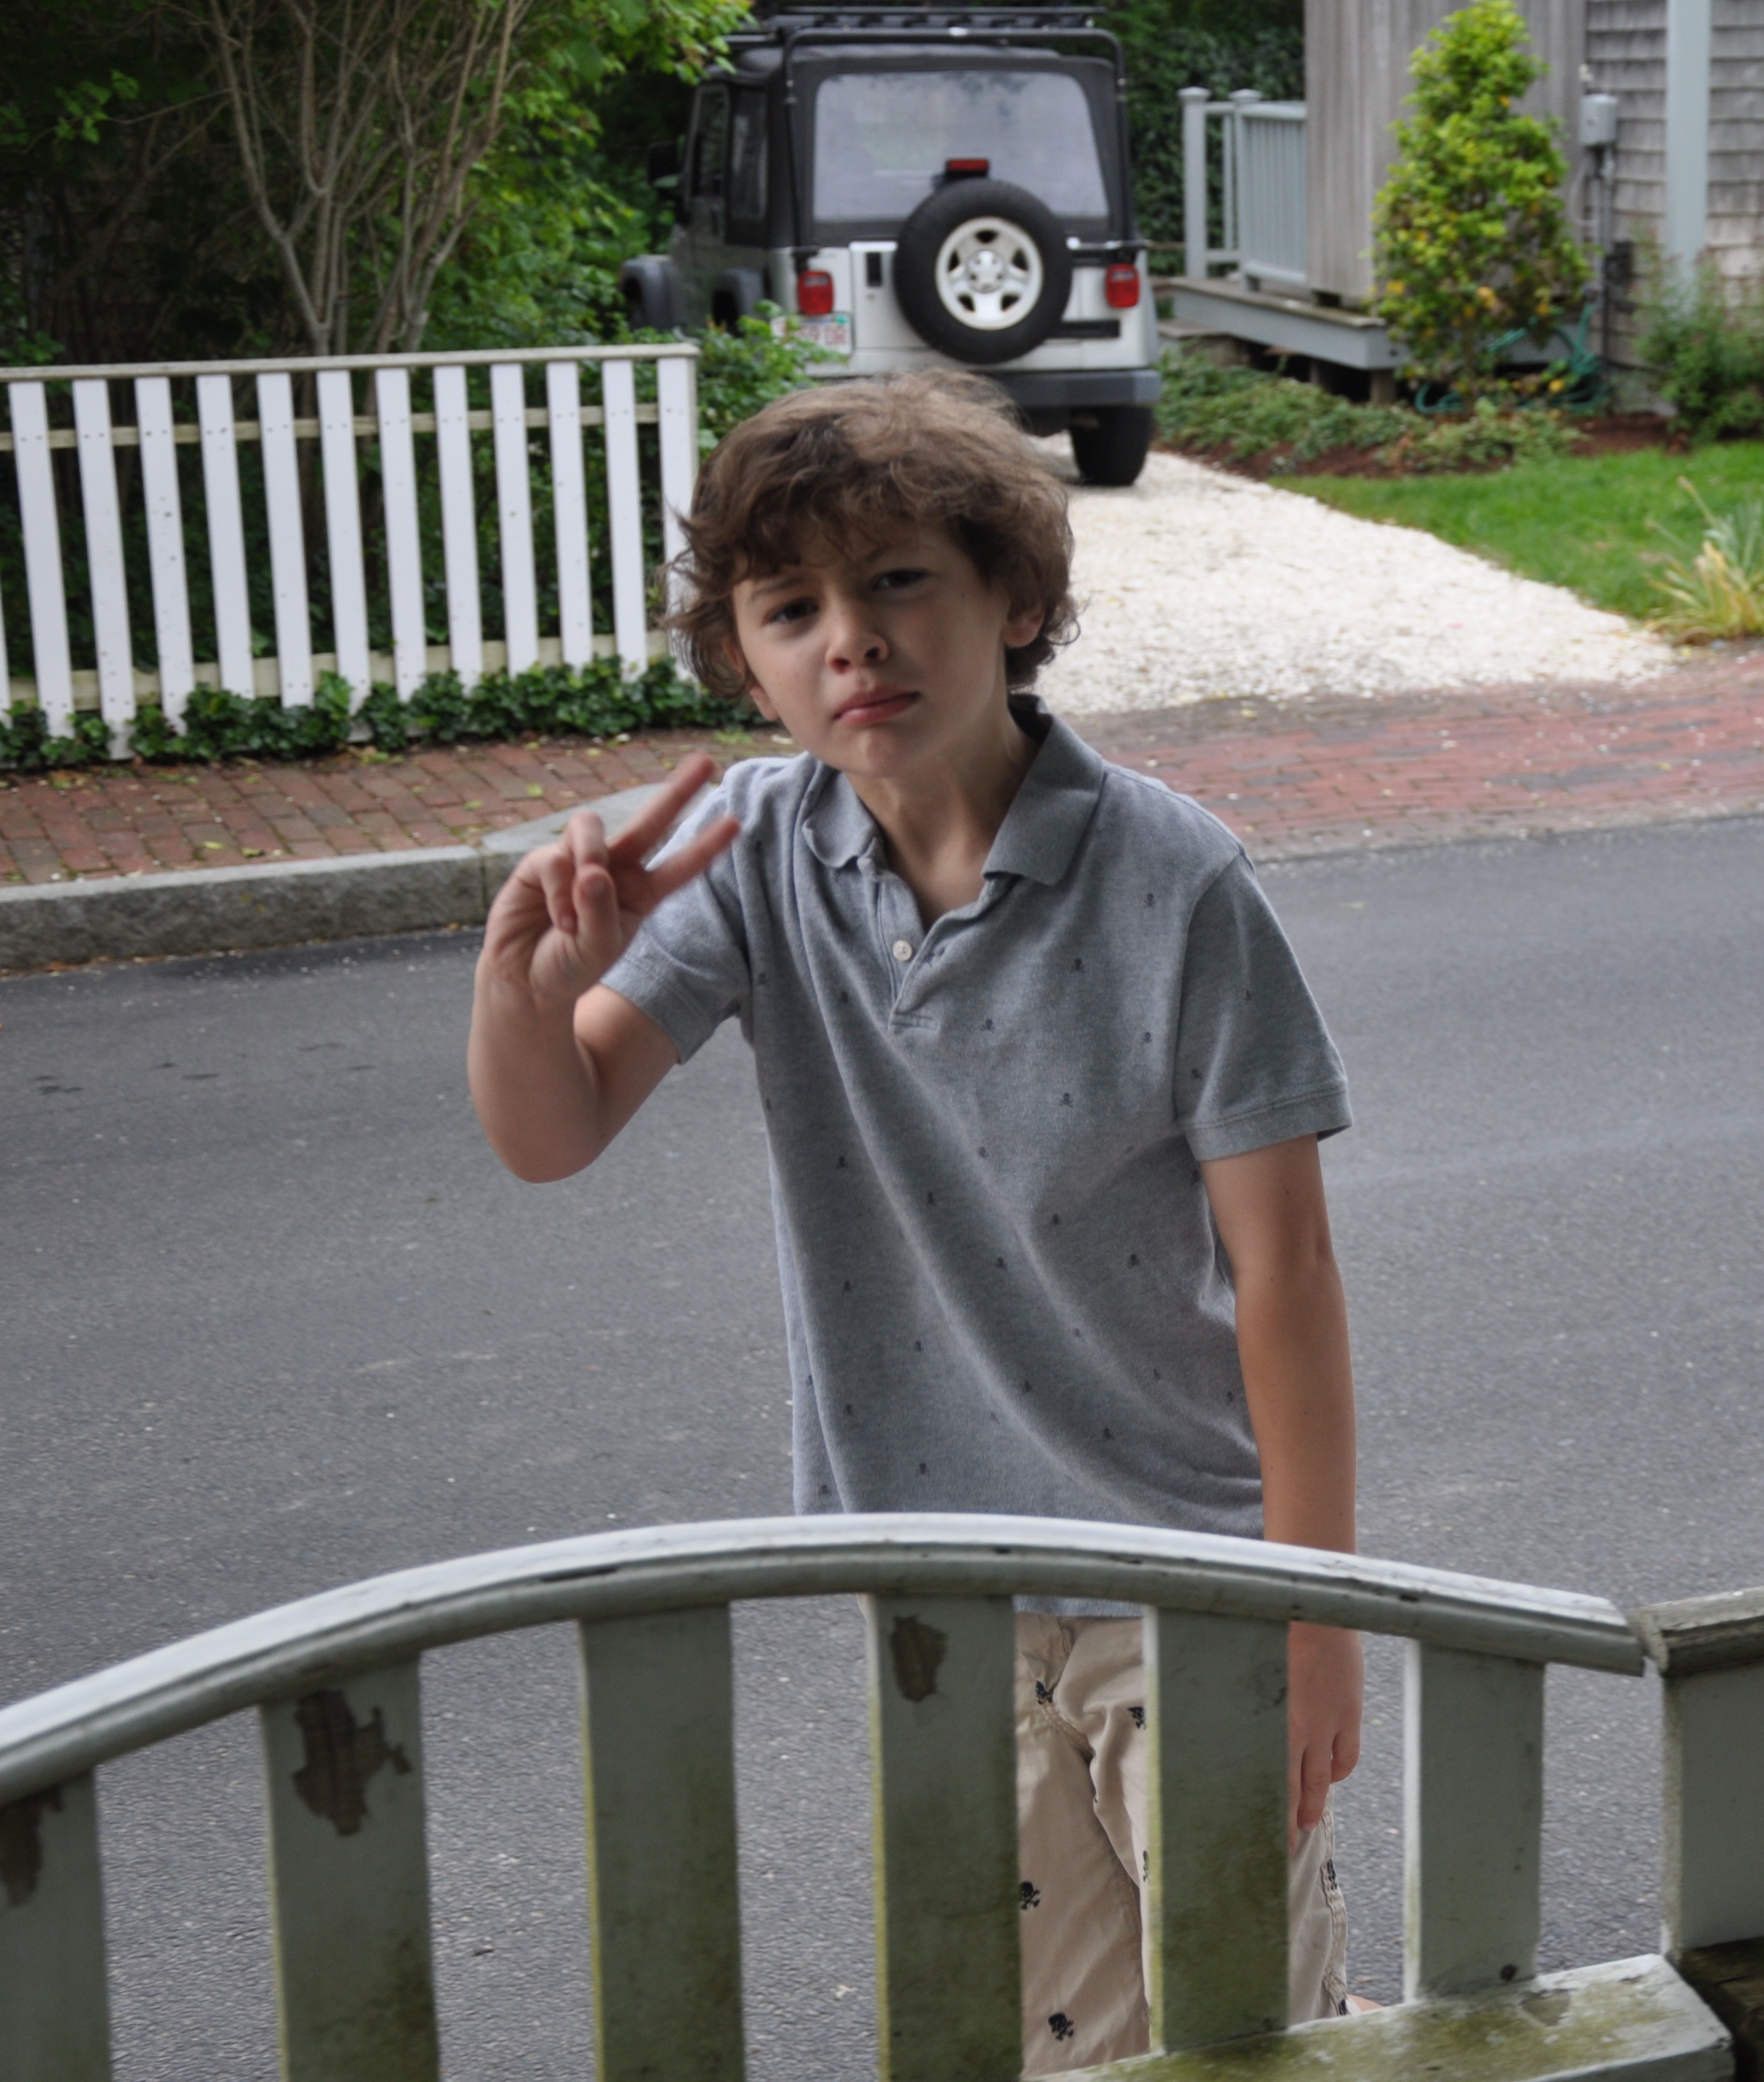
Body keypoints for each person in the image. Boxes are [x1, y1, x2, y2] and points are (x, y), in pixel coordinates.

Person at [465, 372, 1360, 2072]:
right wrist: (524, 982)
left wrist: (1315, 1614)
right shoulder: (750, 850)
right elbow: (551, 1127)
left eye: (895, 581)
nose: (849, 640)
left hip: (1184, 1567)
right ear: (745, 662)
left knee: (1251, 2027)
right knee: (1052, 2032)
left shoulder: (1175, 879)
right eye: (788, 607)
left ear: (1010, 599)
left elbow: (1287, 1268)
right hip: (937, 1580)